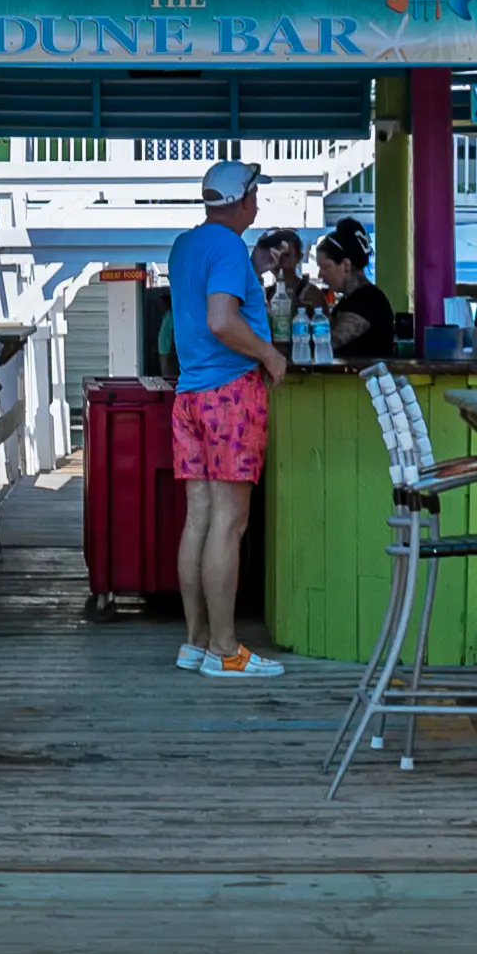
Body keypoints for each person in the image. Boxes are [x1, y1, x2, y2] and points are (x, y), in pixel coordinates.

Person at [167, 160, 287, 679]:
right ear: (243, 200)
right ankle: (225, 650)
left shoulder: (185, 246)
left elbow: (204, 312)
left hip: (189, 395)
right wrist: (269, 354)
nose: (257, 202)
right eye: (255, 194)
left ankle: (195, 642)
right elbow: (221, 319)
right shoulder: (228, 249)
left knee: (199, 518)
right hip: (230, 395)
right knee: (230, 523)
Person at [310, 217, 396, 364]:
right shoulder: (350, 300)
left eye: (325, 267)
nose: (320, 274)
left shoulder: (367, 301)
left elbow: (327, 344)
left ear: (346, 265)